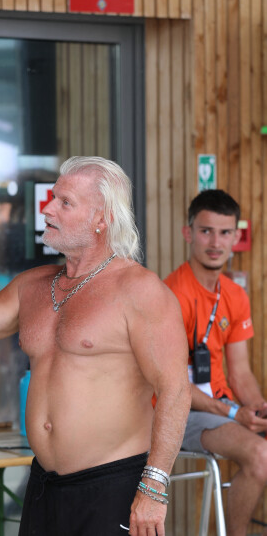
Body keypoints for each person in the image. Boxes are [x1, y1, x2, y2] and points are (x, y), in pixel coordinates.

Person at [0, 155, 191, 535]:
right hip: (44, 486)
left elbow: (175, 389)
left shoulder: (138, 290)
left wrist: (154, 486)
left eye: (65, 203)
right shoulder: (33, 286)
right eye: (51, 198)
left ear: (102, 219)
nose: (47, 209)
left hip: (114, 485)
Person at [164, 189, 267, 536]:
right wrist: (235, 414)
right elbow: (174, 384)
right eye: (206, 230)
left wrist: (258, 410)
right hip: (175, 412)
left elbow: (240, 371)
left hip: (221, 408)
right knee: (260, 455)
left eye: (224, 233)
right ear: (188, 232)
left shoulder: (235, 294)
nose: (215, 241)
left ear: (236, 237)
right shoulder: (170, 296)